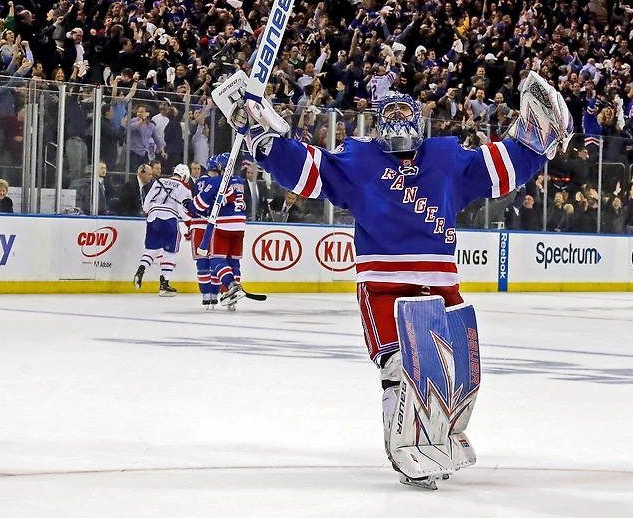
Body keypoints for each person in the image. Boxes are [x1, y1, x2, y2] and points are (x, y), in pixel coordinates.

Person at [223, 72, 572, 489]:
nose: (397, 118)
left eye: (405, 110)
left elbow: (499, 167)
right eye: (389, 112)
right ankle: (406, 447)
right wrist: (264, 139)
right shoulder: (358, 158)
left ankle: (440, 437)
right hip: (383, 285)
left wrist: (535, 141)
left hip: (441, 283)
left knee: (459, 368)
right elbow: (309, 171)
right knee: (401, 368)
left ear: (419, 119)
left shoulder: (446, 157)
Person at [186, 153, 246, 309]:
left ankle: (232, 285)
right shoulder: (239, 181)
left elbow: (198, 205)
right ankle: (232, 299)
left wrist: (188, 205)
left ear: (220, 167)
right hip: (240, 224)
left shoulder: (216, 180)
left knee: (215, 260)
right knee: (233, 262)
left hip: (223, 224)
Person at [133, 163, 192, 296]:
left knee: (152, 249)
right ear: (184, 176)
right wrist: (190, 224)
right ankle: (164, 284)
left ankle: (141, 269)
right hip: (169, 219)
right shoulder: (184, 186)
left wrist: (151, 214)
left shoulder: (159, 181)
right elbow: (182, 209)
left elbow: (146, 204)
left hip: (153, 217)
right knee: (169, 252)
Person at [185, 156, 220, 309]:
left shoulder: (199, 181)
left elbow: (195, 205)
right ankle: (214, 295)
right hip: (214, 225)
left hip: (198, 224)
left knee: (202, 262)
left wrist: (188, 205)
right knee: (215, 261)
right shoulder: (220, 182)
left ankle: (206, 296)